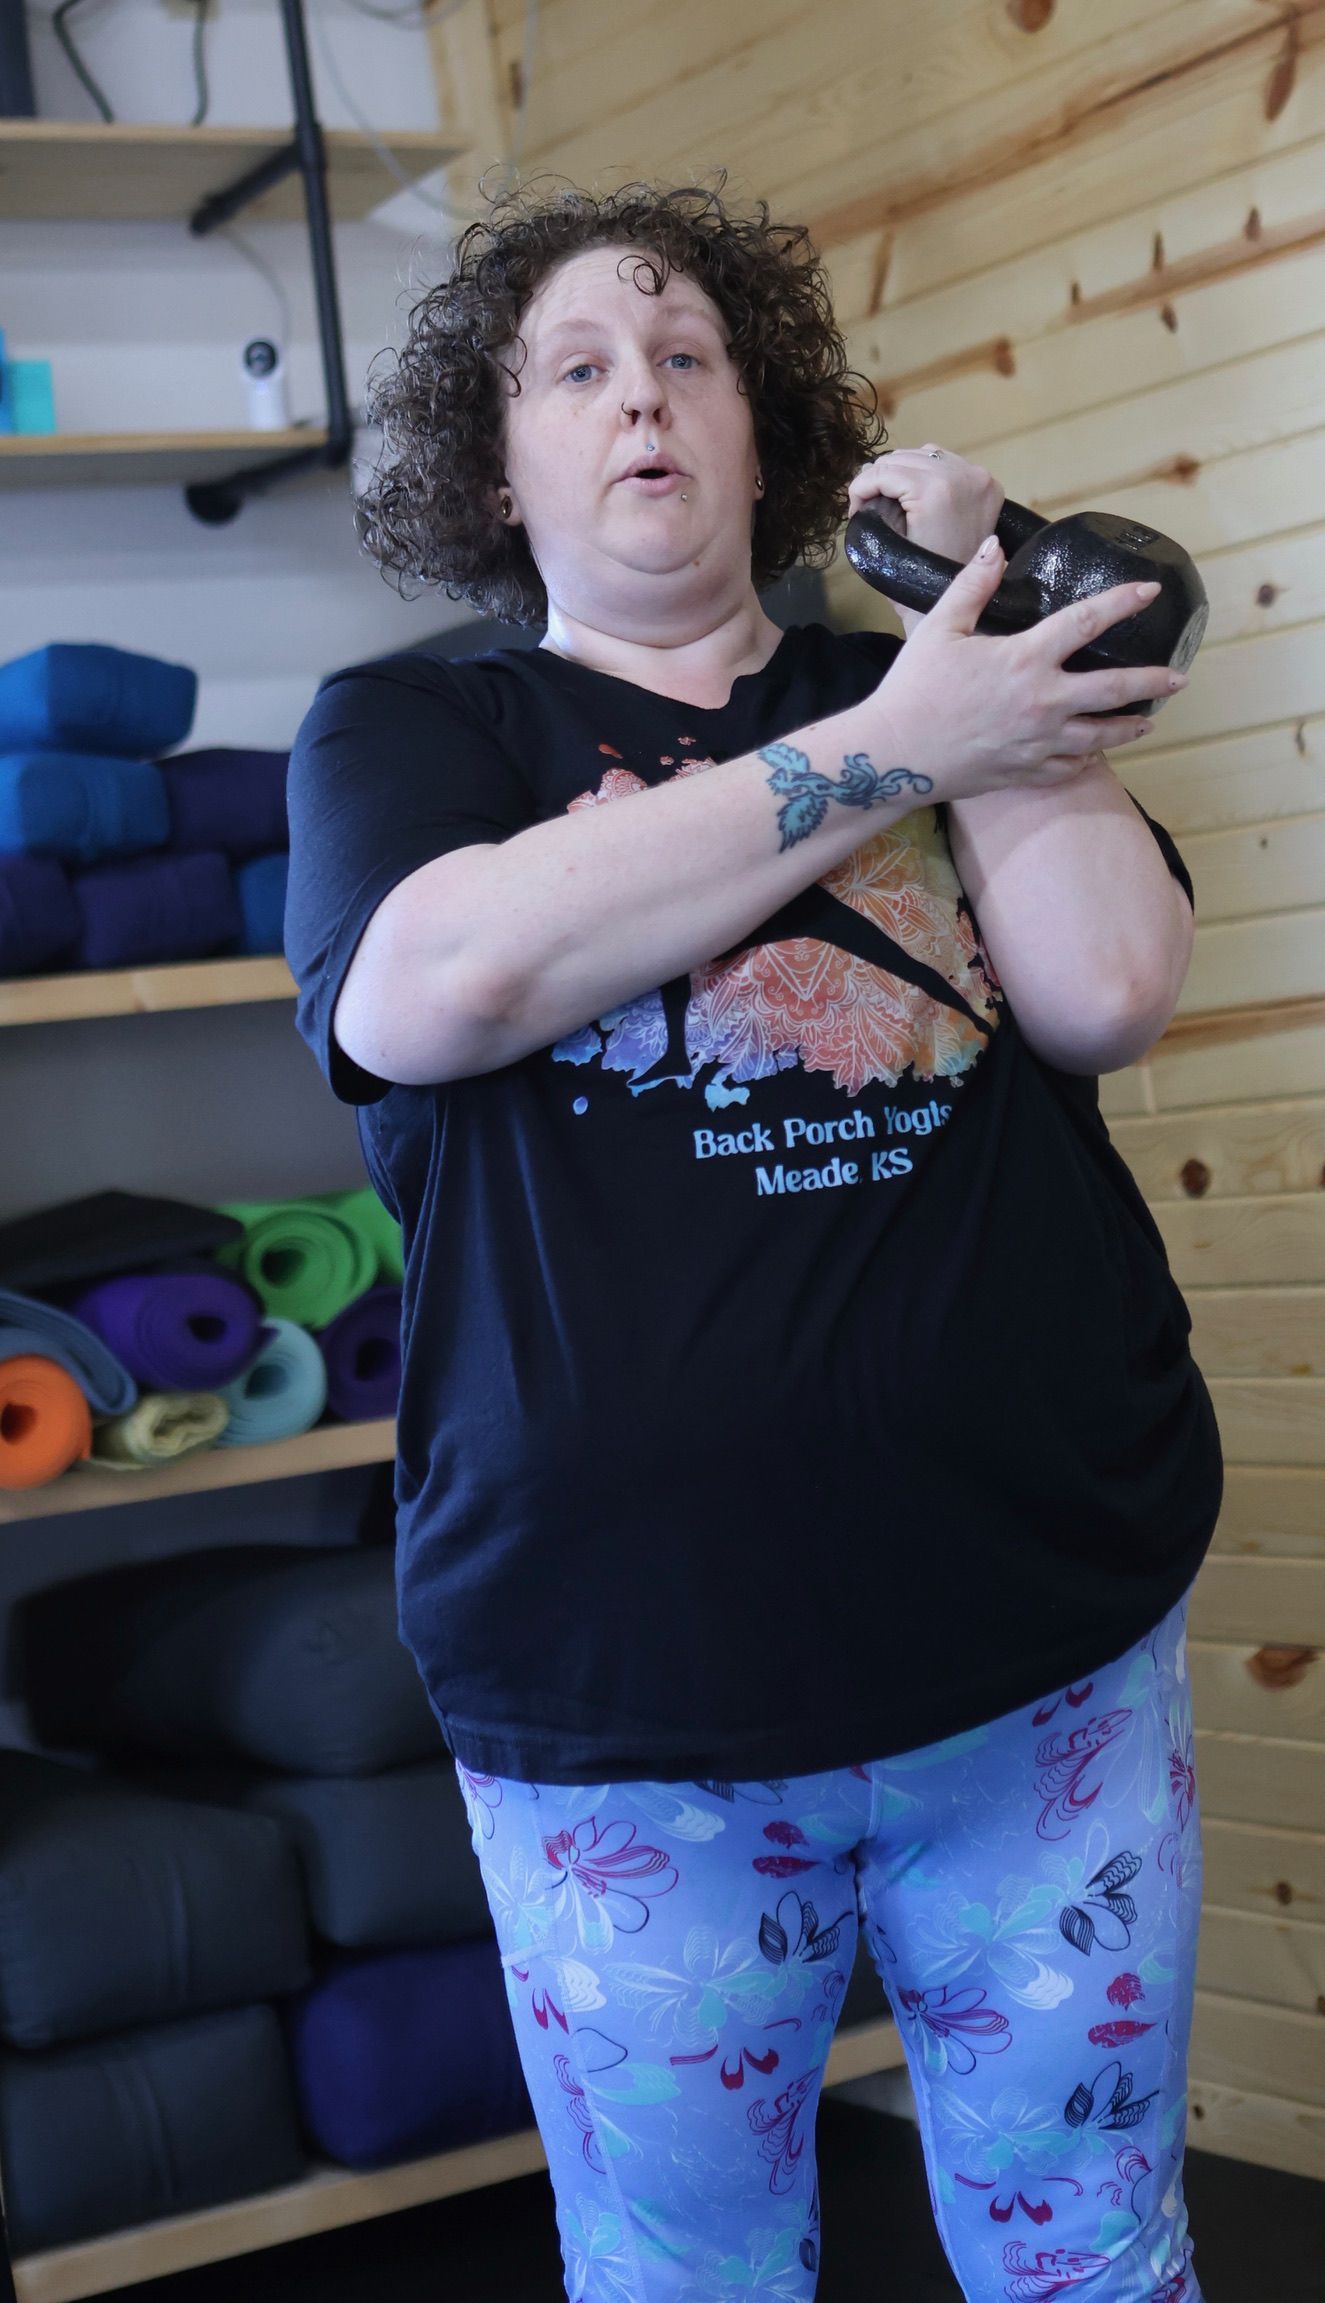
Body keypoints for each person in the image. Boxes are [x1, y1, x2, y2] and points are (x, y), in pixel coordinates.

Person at [284, 174, 1220, 2303]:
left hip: (1041, 1636)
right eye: (581, 368)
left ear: (763, 426)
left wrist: (969, 617)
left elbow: (1104, 990)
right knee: (684, 2277)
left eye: (689, 355)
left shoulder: (928, 674)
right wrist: (898, 740)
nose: (644, 398)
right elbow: (430, 991)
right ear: (494, 462)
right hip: (633, 1696)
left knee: (1094, 2248)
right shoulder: (418, 735)